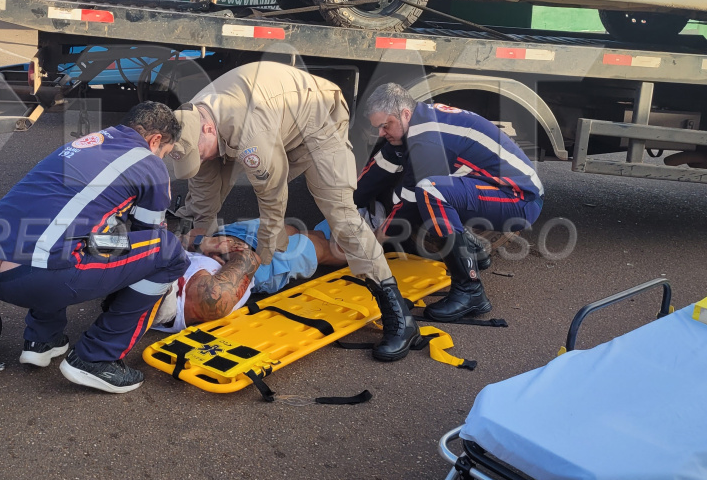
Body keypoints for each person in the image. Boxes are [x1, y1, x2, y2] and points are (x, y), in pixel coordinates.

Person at [167, 61, 420, 362]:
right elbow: (204, 199)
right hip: (276, 112)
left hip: (316, 114)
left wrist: (263, 249)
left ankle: (398, 315)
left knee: (340, 214)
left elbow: (272, 194)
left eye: (200, 152)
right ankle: (345, 240)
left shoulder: (250, 134)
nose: (200, 158)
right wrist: (201, 243)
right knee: (209, 196)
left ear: (208, 129)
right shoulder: (193, 122)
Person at [0, 101, 188, 394]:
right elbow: (147, 236)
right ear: (155, 141)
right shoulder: (147, 161)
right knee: (168, 252)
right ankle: (97, 358)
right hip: (39, 275)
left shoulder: (88, 143)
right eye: (164, 152)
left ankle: (42, 339)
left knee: (71, 234)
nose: (161, 158)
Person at [356, 83, 544, 322]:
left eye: (385, 125)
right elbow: (382, 165)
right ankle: (475, 251)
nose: (382, 133)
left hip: (520, 198)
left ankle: (470, 290)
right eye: (379, 127)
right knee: (433, 194)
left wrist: (378, 239)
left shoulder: (427, 140)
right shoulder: (416, 119)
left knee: (431, 193)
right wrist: (349, 203)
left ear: (404, 114)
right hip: (503, 187)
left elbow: (409, 204)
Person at [153, 220, 345, 333]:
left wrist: (201, 242)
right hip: (263, 262)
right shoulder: (205, 297)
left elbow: (164, 240)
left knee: (295, 230)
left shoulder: (140, 274)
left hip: (223, 239)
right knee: (322, 248)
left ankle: (354, 224)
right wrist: (210, 245)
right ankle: (370, 248)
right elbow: (249, 259)